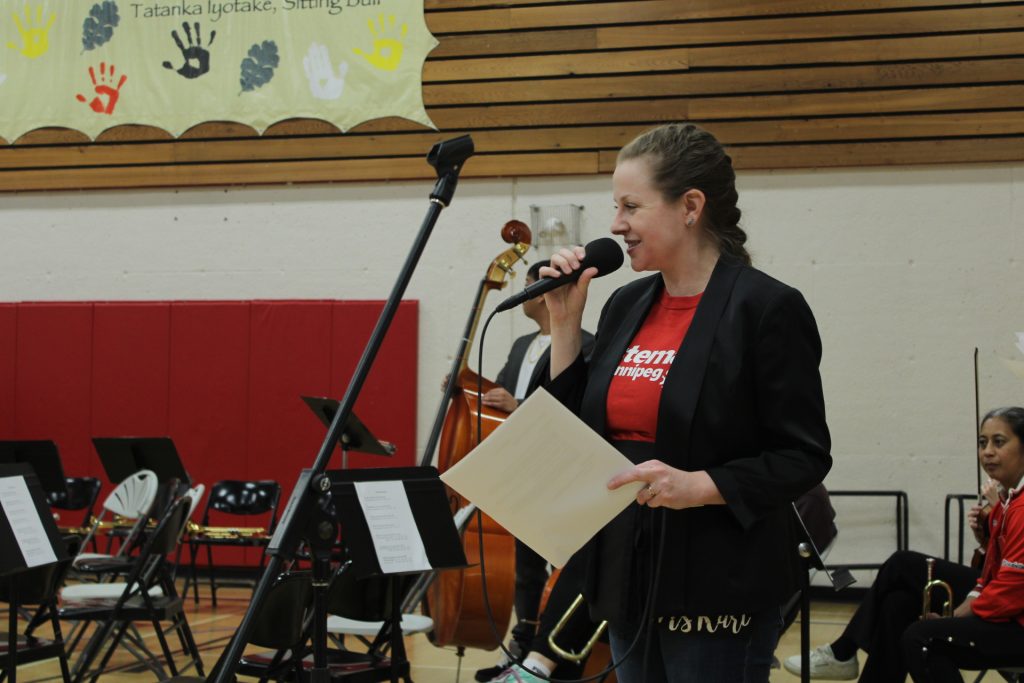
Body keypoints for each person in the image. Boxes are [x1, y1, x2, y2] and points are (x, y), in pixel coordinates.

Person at [537, 122, 833, 683]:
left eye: (631, 206)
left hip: (718, 577)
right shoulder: (626, 304)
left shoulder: (765, 308)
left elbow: (803, 455)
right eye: (616, 207)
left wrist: (698, 486)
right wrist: (564, 324)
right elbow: (574, 431)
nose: (615, 224)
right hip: (627, 572)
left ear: (690, 206)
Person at [784, 406, 1024, 682]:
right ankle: (845, 654)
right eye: (982, 443)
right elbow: (990, 572)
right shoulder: (1006, 503)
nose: (988, 452)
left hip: (1014, 617)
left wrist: (961, 614)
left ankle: (843, 651)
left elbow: (1012, 586)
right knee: (898, 604)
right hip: (1002, 600)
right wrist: (985, 540)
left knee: (909, 592)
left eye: (999, 442)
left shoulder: (1017, 507)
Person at [475, 259, 596, 682]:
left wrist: (519, 406)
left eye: (528, 285)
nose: (522, 293)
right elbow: (499, 392)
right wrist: (467, 385)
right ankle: (522, 646)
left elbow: (573, 407)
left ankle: (553, 654)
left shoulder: (586, 342)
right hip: (522, 465)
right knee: (524, 568)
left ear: (543, 293)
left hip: (560, 467)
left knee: (564, 566)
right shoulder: (521, 344)